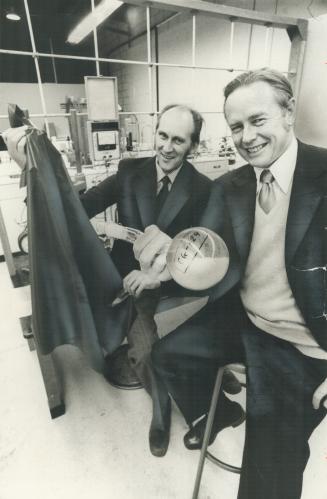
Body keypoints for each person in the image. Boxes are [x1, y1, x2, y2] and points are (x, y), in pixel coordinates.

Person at [134, 68, 327, 498]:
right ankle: (218, 414)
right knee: (165, 355)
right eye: (236, 126)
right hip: (245, 322)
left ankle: (283, 447)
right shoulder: (230, 186)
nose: (246, 137)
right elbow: (205, 252)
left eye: (258, 121)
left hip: (305, 345)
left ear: (288, 112)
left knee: (269, 468)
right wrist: (172, 262)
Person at [2, 104, 214, 458]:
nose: (167, 147)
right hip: (117, 272)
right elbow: (79, 208)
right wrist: (40, 178)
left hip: (162, 279)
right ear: (154, 132)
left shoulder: (203, 188)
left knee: (145, 346)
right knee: (79, 297)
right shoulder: (130, 171)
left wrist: (154, 276)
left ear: (193, 145)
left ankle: (160, 411)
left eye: (179, 140)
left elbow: (200, 253)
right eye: (163, 135)